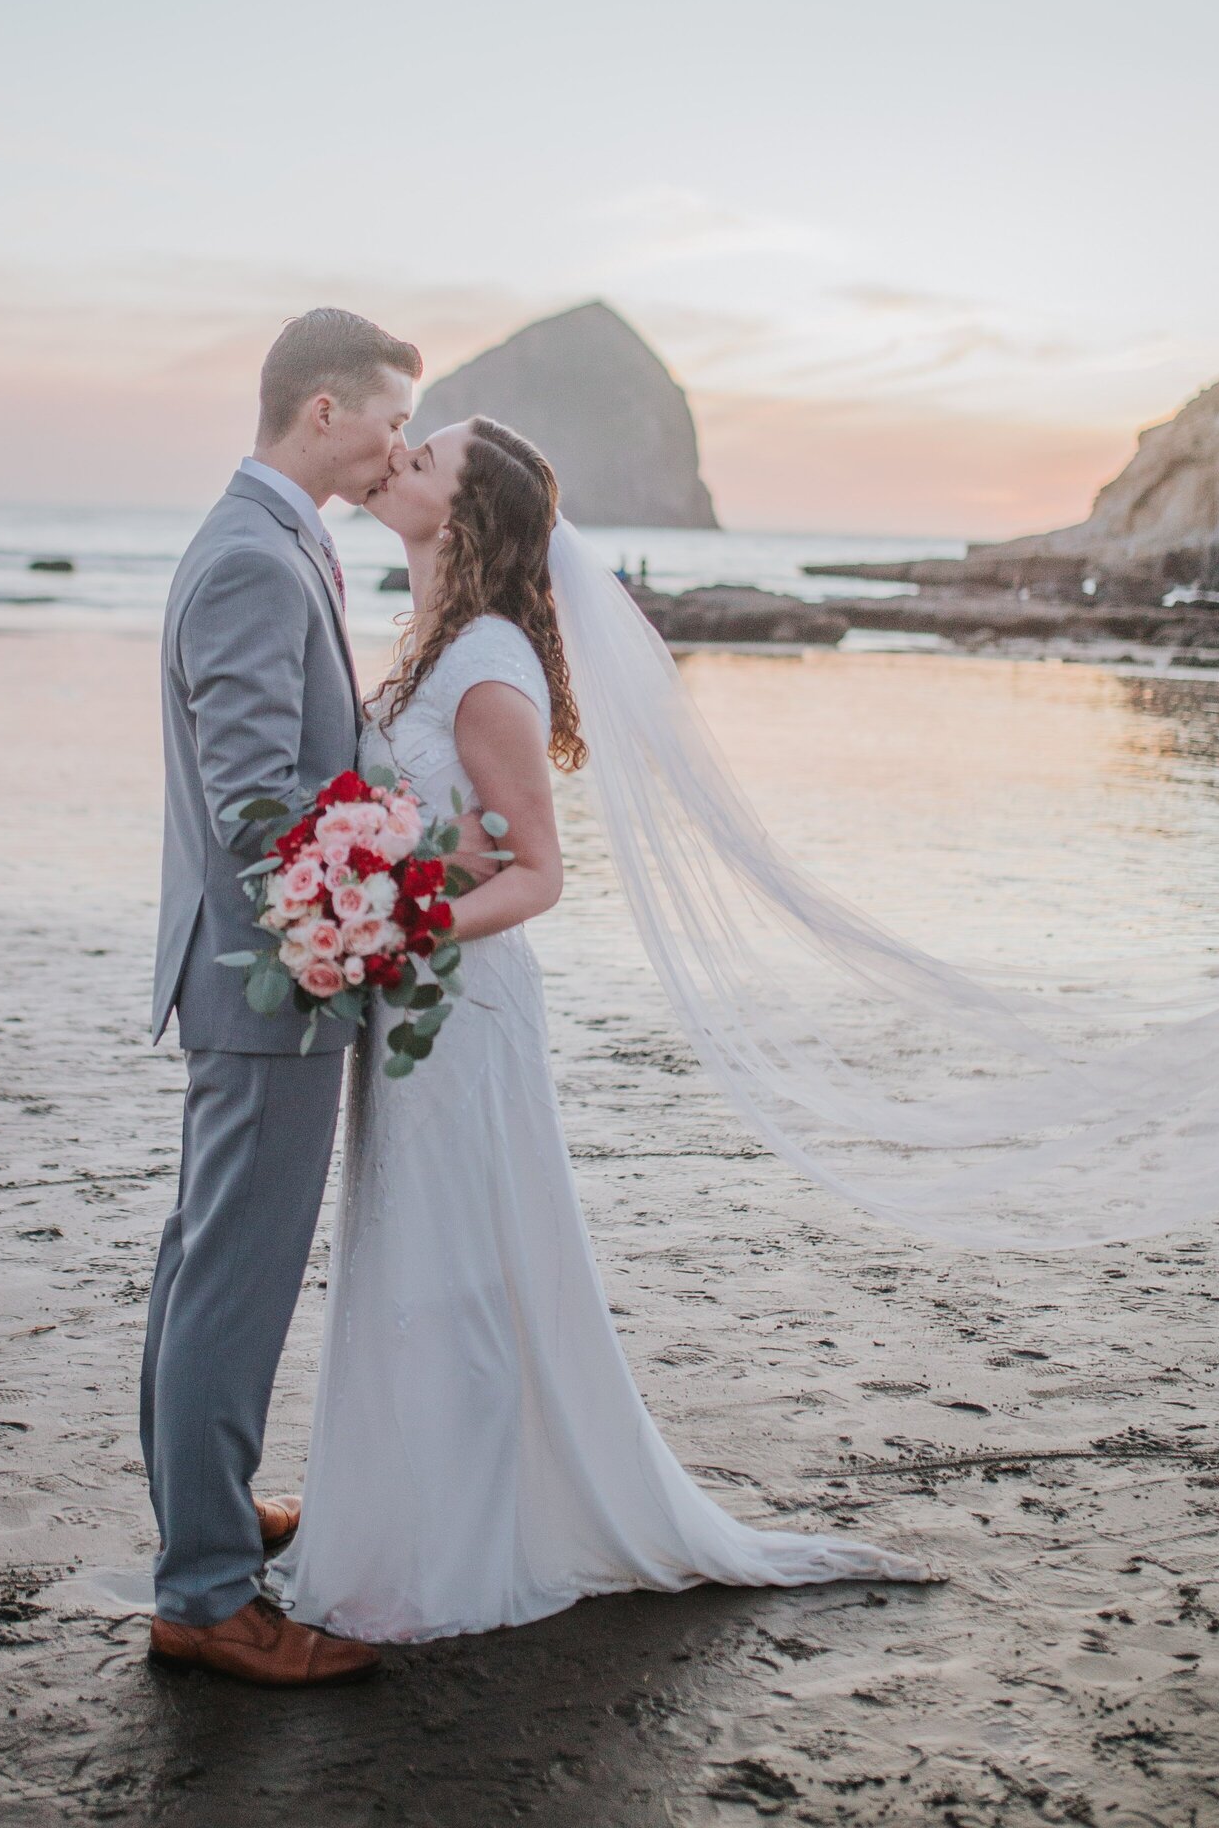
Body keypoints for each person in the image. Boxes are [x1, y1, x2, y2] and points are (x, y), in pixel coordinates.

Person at [267, 418, 931, 1641]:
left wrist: (390, 932)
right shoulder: (429, 645)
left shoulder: (486, 660)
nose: (401, 457)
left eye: (428, 459)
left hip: (458, 1013)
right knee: (406, 1258)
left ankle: (450, 1550)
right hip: (414, 999)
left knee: (456, 1272)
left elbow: (535, 876)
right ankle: (398, 1511)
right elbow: (438, 836)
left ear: (463, 520)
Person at [139, 308, 423, 1687]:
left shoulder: (277, 536)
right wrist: (357, 912)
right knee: (233, 1280)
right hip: (274, 976)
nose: (397, 448)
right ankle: (204, 1592)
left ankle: (211, 1516)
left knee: (211, 1261)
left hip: (265, 970)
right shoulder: (256, 557)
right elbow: (259, 801)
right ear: (325, 411)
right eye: (390, 420)